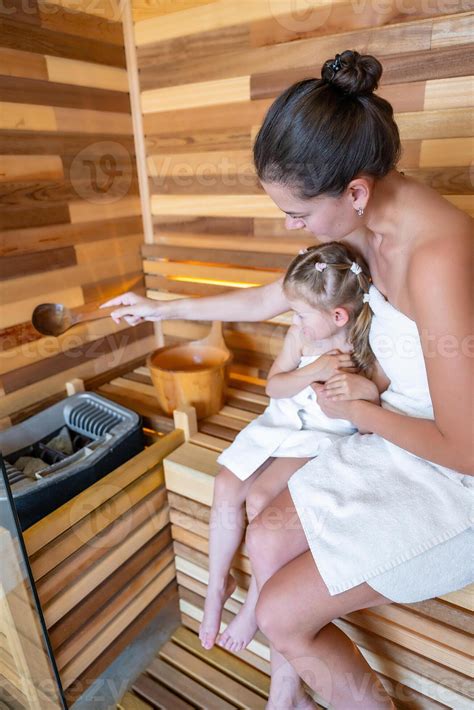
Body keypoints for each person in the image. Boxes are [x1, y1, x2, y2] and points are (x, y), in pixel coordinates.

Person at [101, 49, 473, 710]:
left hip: (450, 474)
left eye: (297, 215)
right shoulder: (365, 225)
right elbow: (268, 296)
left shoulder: (439, 255)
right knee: (266, 530)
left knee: (277, 614)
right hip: (384, 429)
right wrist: (162, 307)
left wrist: (362, 411)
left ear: (354, 191)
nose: (289, 227)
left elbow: (466, 450)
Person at [200, 242, 388, 653]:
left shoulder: (364, 350)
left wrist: (362, 390)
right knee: (226, 485)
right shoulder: (300, 338)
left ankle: (254, 604)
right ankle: (217, 586)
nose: (294, 320)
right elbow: (274, 385)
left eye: (302, 314)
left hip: (320, 439)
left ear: (338, 316)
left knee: (261, 499)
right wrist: (315, 370)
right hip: (277, 424)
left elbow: (371, 405)